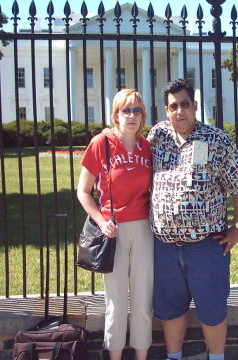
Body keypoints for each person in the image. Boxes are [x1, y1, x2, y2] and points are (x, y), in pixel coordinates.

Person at [147, 78, 238, 360]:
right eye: (173, 106)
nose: (179, 111)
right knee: (170, 309)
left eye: (184, 104)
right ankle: (174, 356)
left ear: (194, 105)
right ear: (166, 110)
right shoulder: (157, 136)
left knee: (212, 309)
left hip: (206, 247)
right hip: (165, 248)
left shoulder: (216, 139)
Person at [77, 89, 153, 360]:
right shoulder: (102, 143)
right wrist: (100, 220)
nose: (131, 116)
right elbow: (83, 191)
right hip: (114, 230)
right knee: (117, 304)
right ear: (116, 114)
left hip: (143, 228)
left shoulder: (148, 146)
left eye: (137, 111)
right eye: (126, 110)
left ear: (143, 116)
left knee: (143, 302)